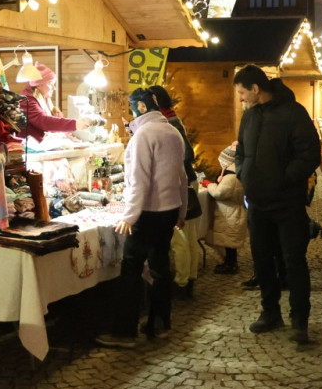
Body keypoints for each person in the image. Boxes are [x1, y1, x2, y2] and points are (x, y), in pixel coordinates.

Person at [233, 65, 321, 346]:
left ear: (256, 89)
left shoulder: (293, 113)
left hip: (287, 203)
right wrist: (242, 173)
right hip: (257, 203)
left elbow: (309, 154)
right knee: (262, 261)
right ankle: (271, 313)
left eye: (242, 93)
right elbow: (241, 152)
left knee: (293, 261)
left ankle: (300, 320)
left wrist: (283, 179)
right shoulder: (249, 117)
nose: (240, 99)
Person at [94, 88, 188, 348]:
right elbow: (182, 177)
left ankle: (124, 333)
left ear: (140, 108)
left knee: (131, 271)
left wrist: (130, 216)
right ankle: (160, 324)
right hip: (168, 211)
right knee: (160, 268)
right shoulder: (172, 132)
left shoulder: (143, 135)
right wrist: (181, 210)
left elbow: (138, 181)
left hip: (147, 213)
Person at [148, 85, 200, 300]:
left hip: (180, 183)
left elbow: (186, 154)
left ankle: (180, 283)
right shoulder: (172, 117)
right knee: (188, 237)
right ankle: (189, 280)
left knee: (179, 238)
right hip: (187, 181)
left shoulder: (168, 122)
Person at [19, 62, 90, 142]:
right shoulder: (27, 100)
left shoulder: (44, 99)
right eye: (50, 84)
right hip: (29, 149)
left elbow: (51, 124)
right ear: (39, 84)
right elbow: (43, 121)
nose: (54, 88)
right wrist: (74, 124)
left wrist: (63, 132)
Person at [204, 144, 247, 274]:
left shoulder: (231, 177)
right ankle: (229, 263)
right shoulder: (238, 172)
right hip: (233, 212)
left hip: (230, 214)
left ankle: (230, 265)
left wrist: (209, 184)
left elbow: (219, 193)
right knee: (229, 242)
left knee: (229, 244)